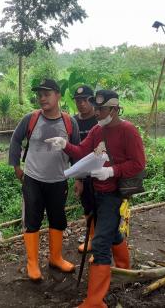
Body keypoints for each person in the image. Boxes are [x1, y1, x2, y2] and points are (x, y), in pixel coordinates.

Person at [46, 90, 146, 308]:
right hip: (95, 190)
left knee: (100, 242)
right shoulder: (97, 130)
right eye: (97, 109)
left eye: (101, 109)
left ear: (114, 109)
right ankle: (124, 265)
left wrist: (112, 171)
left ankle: (95, 301)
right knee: (108, 232)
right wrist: (65, 145)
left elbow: (138, 163)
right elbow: (82, 151)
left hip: (113, 193)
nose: (97, 113)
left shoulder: (128, 131)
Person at [8, 78, 80, 281]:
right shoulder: (30, 119)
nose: (42, 98)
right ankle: (32, 262)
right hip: (33, 179)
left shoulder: (69, 122)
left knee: (58, 219)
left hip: (58, 180)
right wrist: (16, 166)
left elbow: (77, 150)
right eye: (39, 95)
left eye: (46, 94)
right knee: (32, 220)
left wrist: (79, 178)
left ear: (57, 95)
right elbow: (15, 139)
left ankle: (55, 258)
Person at [73, 85, 98, 253]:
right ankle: (92, 239)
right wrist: (78, 178)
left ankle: (103, 241)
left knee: (104, 207)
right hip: (83, 173)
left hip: (101, 171)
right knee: (87, 207)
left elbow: (105, 147)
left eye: (85, 100)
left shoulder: (99, 119)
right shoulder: (73, 121)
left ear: (93, 101)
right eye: (78, 101)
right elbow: (74, 150)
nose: (81, 104)